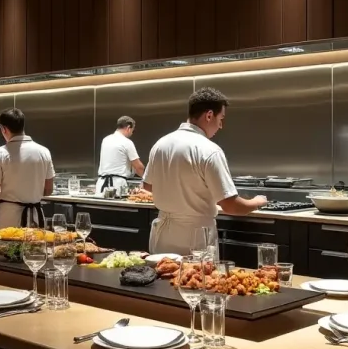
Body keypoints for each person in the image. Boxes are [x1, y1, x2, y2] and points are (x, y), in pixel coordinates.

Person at [143, 87, 267, 254]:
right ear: (209, 115)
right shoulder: (209, 150)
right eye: (221, 118)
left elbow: (148, 186)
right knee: (194, 279)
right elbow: (231, 206)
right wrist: (257, 202)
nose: (221, 126)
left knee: (161, 277)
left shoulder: (160, 144)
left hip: (162, 238)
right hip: (196, 239)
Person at [0, 108, 55, 229]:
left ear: (3, 129)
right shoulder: (44, 151)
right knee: (33, 247)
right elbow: (48, 189)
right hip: (35, 217)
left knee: (6, 247)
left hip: (8, 218)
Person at [96, 115, 144, 193]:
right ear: (128, 128)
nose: (132, 133)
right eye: (132, 130)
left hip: (101, 184)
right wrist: (146, 180)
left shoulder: (106, 140)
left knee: (102, 205)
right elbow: (139, 167)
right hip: (117, 185)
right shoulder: (127, 142)